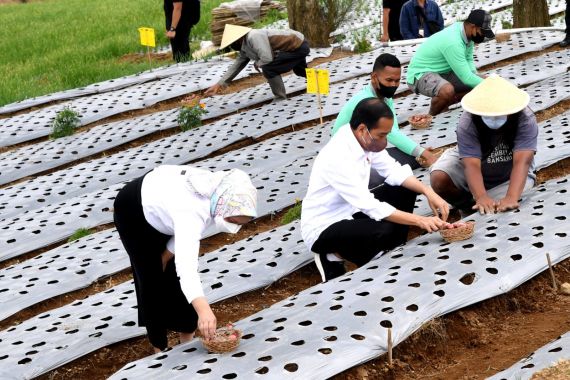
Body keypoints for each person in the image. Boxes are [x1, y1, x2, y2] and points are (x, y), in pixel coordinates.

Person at [302, 98, 450, 283]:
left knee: (404, 189)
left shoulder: (365, 141)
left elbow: (394, 170)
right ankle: (333, 255)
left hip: (352, 212)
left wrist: (428, 191)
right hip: (325, 226)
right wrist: (420, 220)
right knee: (382, 229)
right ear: (363, 129)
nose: (385, 141)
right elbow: (369, 205)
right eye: (382, 135)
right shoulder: (337, 156)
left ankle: (390, 249)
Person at [113, 166, 257, 352]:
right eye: (234, 221)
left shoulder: (225, 192)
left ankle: (186, 340)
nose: (235, 227)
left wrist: (166, 255)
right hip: (132, 211)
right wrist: (203, 309)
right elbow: (187, 267)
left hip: (166, 205)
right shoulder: (193, 211)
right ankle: (159, 348)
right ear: (224, 206)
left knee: (170, 269)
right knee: (150, 277)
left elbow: (183, 233)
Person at [430, 75, 537, 215]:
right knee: (439, 178)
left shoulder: (525, 118)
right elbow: (471, 164)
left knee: (502, 209)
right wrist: (481, 197)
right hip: (475, 159)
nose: (494, 119)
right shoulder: (468, 122)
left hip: (509, 166)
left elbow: (522, 162)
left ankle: (489, 198)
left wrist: (511, 197)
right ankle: (468, 208)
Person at [333, 53, 438, 175]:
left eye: (397, 80)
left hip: (365, 148)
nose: (393, 85)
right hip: (347, 157)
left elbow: (393, 130)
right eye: (389, 80)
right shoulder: (367, 102)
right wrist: (422, 153)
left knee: (410, 157)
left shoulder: (385, 96)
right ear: (374, 77)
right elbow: (391, 134)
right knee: (411, 160)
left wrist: (417, 150)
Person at [406, 9, 495, 116]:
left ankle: (444, 103)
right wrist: (493, 88)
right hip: (420, 74)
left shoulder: (466, 34)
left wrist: (476, 77)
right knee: (447, 90)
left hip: (442, 71)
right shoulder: (453, 42)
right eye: (482, 32)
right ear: (473, 27)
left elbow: (469, 60)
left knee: (480, 80)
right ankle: (431, 116)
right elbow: (466, 78)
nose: (483, 35)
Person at [204, 24, 310, 100]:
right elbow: (237, 66)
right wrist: (219, 84)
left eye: (232, 44)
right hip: (295, 46)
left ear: (238, 38)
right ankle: (322, 81)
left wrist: (258, 63)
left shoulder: (253, 36)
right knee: (300, 71)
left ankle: (280, 97)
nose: (232, 47)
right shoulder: (244, 46)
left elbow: (267, 58)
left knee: (269, 68)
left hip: (298, 46)